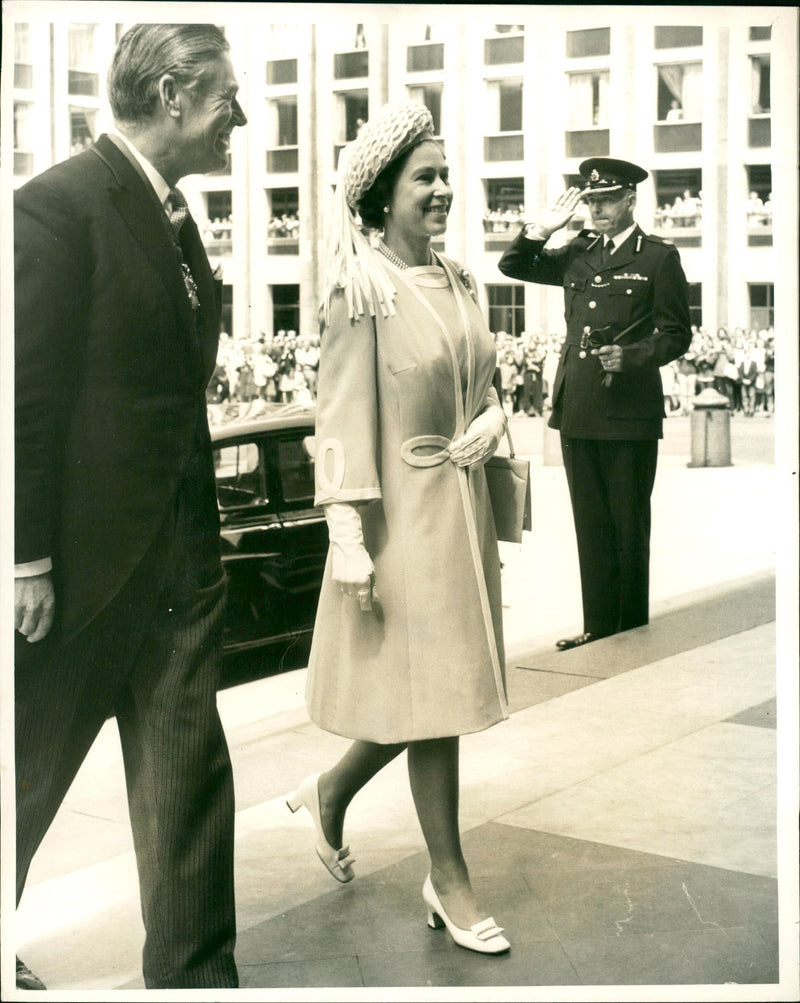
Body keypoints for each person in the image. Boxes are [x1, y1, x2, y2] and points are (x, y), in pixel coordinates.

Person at [14, 23, 247, 989]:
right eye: (229, 95)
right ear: (173, 98)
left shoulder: (174, 217)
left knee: (189, 792)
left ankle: (195, 981)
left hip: (178, 567)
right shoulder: (56, 208)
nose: (241, 115)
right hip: (76, 578)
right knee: (19, 785)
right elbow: (20, 395)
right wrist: (25, 559)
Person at [286, 102, 510, 955]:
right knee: (438, 700)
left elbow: (479, 378)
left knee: (432, 693)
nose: (445, 190)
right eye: (427, 177)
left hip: (459, 512)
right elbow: (338, 415)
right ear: (381, 196)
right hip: (399, 527)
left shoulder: (458, 281)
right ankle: (447, 878)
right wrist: (345, 532)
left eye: (447, 174)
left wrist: (491, 417)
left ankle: (331, 791)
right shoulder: (359, 291)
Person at [498, 157, 691, 650]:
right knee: (590, 522)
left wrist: (630, 357)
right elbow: (513, 264)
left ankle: (630, 628)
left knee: (628, 524)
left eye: (607, 200)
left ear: (631, 199)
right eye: (591, 201)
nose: (598, 210)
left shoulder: (658, 258)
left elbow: (676, 336)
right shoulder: (578, 253)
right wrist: (541, 228)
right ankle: (600, 627)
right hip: (579, 405)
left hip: (628, 410)